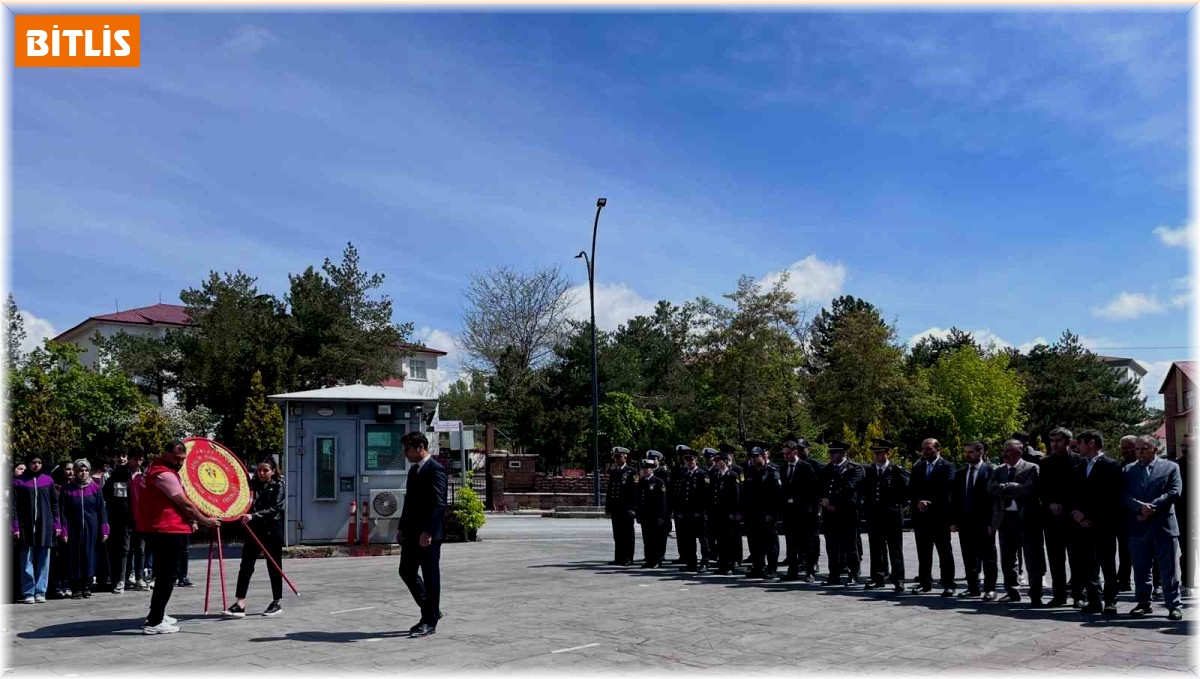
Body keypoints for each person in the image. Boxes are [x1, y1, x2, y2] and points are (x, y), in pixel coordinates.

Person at [135, 440, 221, 634]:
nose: (180, 463)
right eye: (176, 459)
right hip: (166, 528)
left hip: (157, 527)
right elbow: (185, 504)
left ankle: (157, 613)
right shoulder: (164, 474)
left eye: (183, 459)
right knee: (168, 574)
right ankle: (154, 622)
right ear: (165, 454)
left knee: (163, 573)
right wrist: (204, 520)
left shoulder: (154, 467)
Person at [1123, 435, 1183, 620]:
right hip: (1138, 525)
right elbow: (1123, 494)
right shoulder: (1128, 470)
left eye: (1144, 449)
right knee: (1141, 569)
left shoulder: (1170, 467)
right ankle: (1143, 603)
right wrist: (1138, 508)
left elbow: (1174, 491)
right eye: (1137, 449)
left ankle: (1173, 605)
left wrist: (1151, 507)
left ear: (1155, 449)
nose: (1139, 452)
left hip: (1163, 525)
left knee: (1169, 568)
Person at [396, 431, 447, 638]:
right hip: (411, 531)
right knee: (406, 571)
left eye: (407, 449)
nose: (405, 453)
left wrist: (428, 531)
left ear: (420, 448)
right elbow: (409, 502)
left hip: (428, 534)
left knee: (430, 575)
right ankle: (431, 608)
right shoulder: (413, 471)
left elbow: (439, 504)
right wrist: (401, 527)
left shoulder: (436, 470)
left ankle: (429, 621)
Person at [1068, 430, 1123, 615]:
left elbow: (1110, 496)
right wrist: (1076, 513)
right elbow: (1073, 494)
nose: (1077, 447)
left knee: (1107, 563)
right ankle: (1094, 599)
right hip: (1081, 525)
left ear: (1091, 443)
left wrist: (1088, 515)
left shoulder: (1112, 466)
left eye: (1080, 443)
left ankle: (1110, 601)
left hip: (1104, 523)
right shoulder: (1078, 468)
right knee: (1087, 564)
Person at [225, 457, 287, 618]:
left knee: (274, 566)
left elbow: (275, 508)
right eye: (259, 470)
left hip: (271, 531)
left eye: (266, 470)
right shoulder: (251, 485)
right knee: (246, 565)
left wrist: (253, 516)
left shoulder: (279, 485)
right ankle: (240, 603)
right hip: (253, 530)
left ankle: (276, 602)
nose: (261, 473)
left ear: (273, 471)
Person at [989, 440, 1045, 606]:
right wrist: (1013, 486)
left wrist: (1006, 488)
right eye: (1004, 450)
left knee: (1032, 559)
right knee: (1007, 559)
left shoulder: (1031, 468)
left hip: (1027, 519)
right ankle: (1012, 591)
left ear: (1019, 452)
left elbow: (1028, 490)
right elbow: (991, 488)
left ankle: (1036, 594)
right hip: (1005, 519)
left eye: (1008, 451)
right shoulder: (998, 470)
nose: (1004, 454)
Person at [1039, 427, 1084, 607]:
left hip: (1074, 517)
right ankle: (1059, 596)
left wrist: (1074, 508)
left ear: (1068, 441)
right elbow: (1042, 489)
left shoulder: (1079, 461)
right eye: (1052, 441)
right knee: (1055, 559)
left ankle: (1078, 595)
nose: (1054, 444)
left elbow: (1082, 489)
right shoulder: (1045, 462)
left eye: (1058, 440)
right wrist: (1050, 503)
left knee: (1077, 558)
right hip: (1053, 518)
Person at [949, 441, 997, 600]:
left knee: (988, 556)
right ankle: (973, 587)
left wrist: (992, 522)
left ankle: (990, 589)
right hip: (965, 522)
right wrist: (953, 521)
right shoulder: (961, 473)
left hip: (984, 522)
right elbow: (955, 499)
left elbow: (994, 499)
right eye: (966, 452)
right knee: (969, 557)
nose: (967, 455)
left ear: (980, 452)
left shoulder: (990, 471)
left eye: (970, 452)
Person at [909, 438, 956, 596]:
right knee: (923, 552)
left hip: (940, 516)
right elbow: (912, 488)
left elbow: (946, 488)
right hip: (921, 517)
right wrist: (918, 501)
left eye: (929, 448)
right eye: (923, 448)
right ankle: (925, 582)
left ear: (938, 449)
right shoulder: (918, 466)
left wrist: (930, 502)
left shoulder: (947, 466)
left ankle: (948, 583)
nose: (925, 451)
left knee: (944, 552)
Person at [12, 455, 60, 603]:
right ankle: (28, 592)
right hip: (25, 526)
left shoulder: (48, 480)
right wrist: (15, 527)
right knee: (26, 560)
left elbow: (54, 504)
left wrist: (57, 524)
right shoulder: (18, 482)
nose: (36, 465)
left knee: (43, 559)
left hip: (44, 525)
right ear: (28, 463)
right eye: (33, 462)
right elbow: (13, 506)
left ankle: (40, 591)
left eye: (39, 462)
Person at [862, 439, 908, 593]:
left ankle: (898, 579)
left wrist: (897, 506)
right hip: (875, 515)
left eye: (879, 453)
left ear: (887, 453)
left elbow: (905, 491)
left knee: (895, 548)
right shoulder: (869, 471)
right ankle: (877, 578)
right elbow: (865, 492)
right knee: (876, 547)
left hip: (892, 516)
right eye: (874, 453)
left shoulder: (895, 471)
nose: (876, 456)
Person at [60, 459, 108, 599]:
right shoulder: (67, 489)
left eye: (86, 470)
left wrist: (104, 528)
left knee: (89, 554)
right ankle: (76, 587)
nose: (83, 473)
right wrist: (64, 530)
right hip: (73, 528)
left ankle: (87, 585)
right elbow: (62, 512)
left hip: (91, 527)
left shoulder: (95, 488)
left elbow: (101, 510)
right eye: (80, 470)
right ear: (75, 472)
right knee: (74, 556)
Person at [819, 440, 864, 587]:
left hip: (847, 512)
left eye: (834, 452)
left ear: (843, 452)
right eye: (830, 452)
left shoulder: (854, 468)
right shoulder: (827, 469)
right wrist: (824, 501)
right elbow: (820, 488)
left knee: (850, 545)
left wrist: (831, 500)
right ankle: (834, 574)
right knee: (832, 545)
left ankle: (854, 573)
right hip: (829, 512)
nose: (831, 455)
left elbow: (849, 487)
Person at [780, 440, 821, 582]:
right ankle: (792, 571)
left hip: (804, 512)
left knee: (807, 543)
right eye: (784, 454)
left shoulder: (806, 467)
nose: (786, 456)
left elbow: (814, 489)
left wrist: (814, 510)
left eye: (788, 453)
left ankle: (810, 572)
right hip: (789, 512)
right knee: (791, 543)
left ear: (795, 452)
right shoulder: (783, 468)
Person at [740, 443, 781, 580]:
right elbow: (744, 493)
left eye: (756, 456)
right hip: (752, 514)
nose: (753, 459)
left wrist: (773, 513)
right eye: (751, 457)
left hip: (767, 514)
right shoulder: (749, 471)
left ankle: (772, 568)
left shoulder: (772, 471)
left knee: (770, 543)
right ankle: (758, 567)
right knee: (754, 542)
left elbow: (777, 494)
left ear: (763, 456)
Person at [104, 451, 137, 594]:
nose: (121, 459)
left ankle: (123, 579)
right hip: (114, 517)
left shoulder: (134, 475)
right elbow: (105, 493)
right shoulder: (111, 476)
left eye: (124, 456)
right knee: (114, 548)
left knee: (127, 548)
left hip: (129, 518)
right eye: (118, 456)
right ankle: (115, 578)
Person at [674, 447, 711, 573]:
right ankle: (691, 563)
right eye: (686, 460)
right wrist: (680, 510)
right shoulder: (685, 475)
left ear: (696, 460)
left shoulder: (702, 474)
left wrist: (702, 511)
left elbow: (706, 495)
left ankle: (705, 562)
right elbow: (681, 495)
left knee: (703, 539)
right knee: (689, 539)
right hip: (687, 513)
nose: (689, 462)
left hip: (698, 513)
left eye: (691, 460)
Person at [709, 451, 742, 575]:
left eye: (718, 461)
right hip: (717, 513)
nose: (716, 463)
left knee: (729, 540)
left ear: (725, 461)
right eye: (715, 461)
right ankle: (722, 564)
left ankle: (730, 565)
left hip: (728, 513)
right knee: (720, 540)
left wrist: (735, 512)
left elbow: (736, 495)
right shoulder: (715, 475)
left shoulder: (732, 475)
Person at [604, 447, 637, 567]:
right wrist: (608, 506)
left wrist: (632, 508)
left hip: (626, 508)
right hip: (616, 507)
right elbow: (610, 490)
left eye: (619, 456)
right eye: (615, 457)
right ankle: (619, 557)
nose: (617, 459)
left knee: (628, 534)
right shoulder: (614, 472)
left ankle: (628, 558)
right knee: (617, 534)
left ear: (625, 457)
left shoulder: (631, 471)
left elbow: (635, 491)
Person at [634, 458, 669, 569]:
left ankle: (657, 560)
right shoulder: (641, 482)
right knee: (647, 539)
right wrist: (638, 514)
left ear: (652, 469)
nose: (644, 470)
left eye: (647, 468)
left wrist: (662, 516)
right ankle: (648, 560)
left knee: (656, 539)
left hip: (655, 516)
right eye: (643, 468)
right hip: (645, 515)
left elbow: (662, 501)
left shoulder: (658, 481)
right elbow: (639, 499)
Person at [1116, 434, 1139, 591]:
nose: (1125, 451)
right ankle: (1124, 580)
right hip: (1123, 516)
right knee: (1124, 550)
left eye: (1129, 447)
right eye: (1123, 448)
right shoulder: (1119, 468)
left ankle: (1156, 583)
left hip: (1143, 514)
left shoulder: (1144, 467)